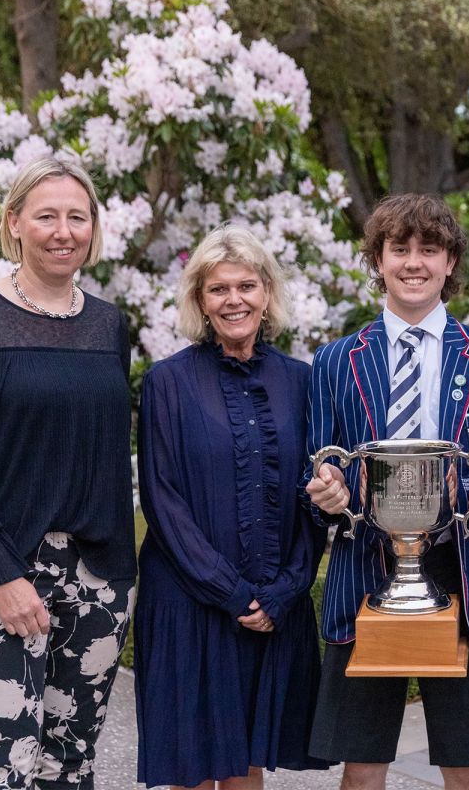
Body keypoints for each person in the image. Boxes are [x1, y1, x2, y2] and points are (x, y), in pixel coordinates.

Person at [0, 156, 136, 787]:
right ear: (14, 223)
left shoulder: (109, 325)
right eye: (46, 217)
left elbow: (105, 451)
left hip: (97, 576)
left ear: (93, 227)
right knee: (3, 766)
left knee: (70, 764)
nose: (63, 232)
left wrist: (119, 577)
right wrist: (2, 575)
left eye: (77, 217)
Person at [304, 193, 469, 790]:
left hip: (463, 570)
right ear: (377, 260)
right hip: (365, 573)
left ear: (450, 262)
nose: (413, 262)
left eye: (429, 249)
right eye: (398, 249)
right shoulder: (334, 362)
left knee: (465, 762)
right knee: (362, 762)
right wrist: (326, 494)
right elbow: (317, 466)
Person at [133, 224, 330, 789]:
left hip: (272, 603)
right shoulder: (166, 383)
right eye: (218, 289)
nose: (233, 300)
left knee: (246, 766)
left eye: (246, 285)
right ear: (200, 299)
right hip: (189, 603)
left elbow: (315, 495)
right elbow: (162, 500)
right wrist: (232, 593)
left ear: (266, 292)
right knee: (192, 769)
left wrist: (284, 591)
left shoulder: (302, 381)